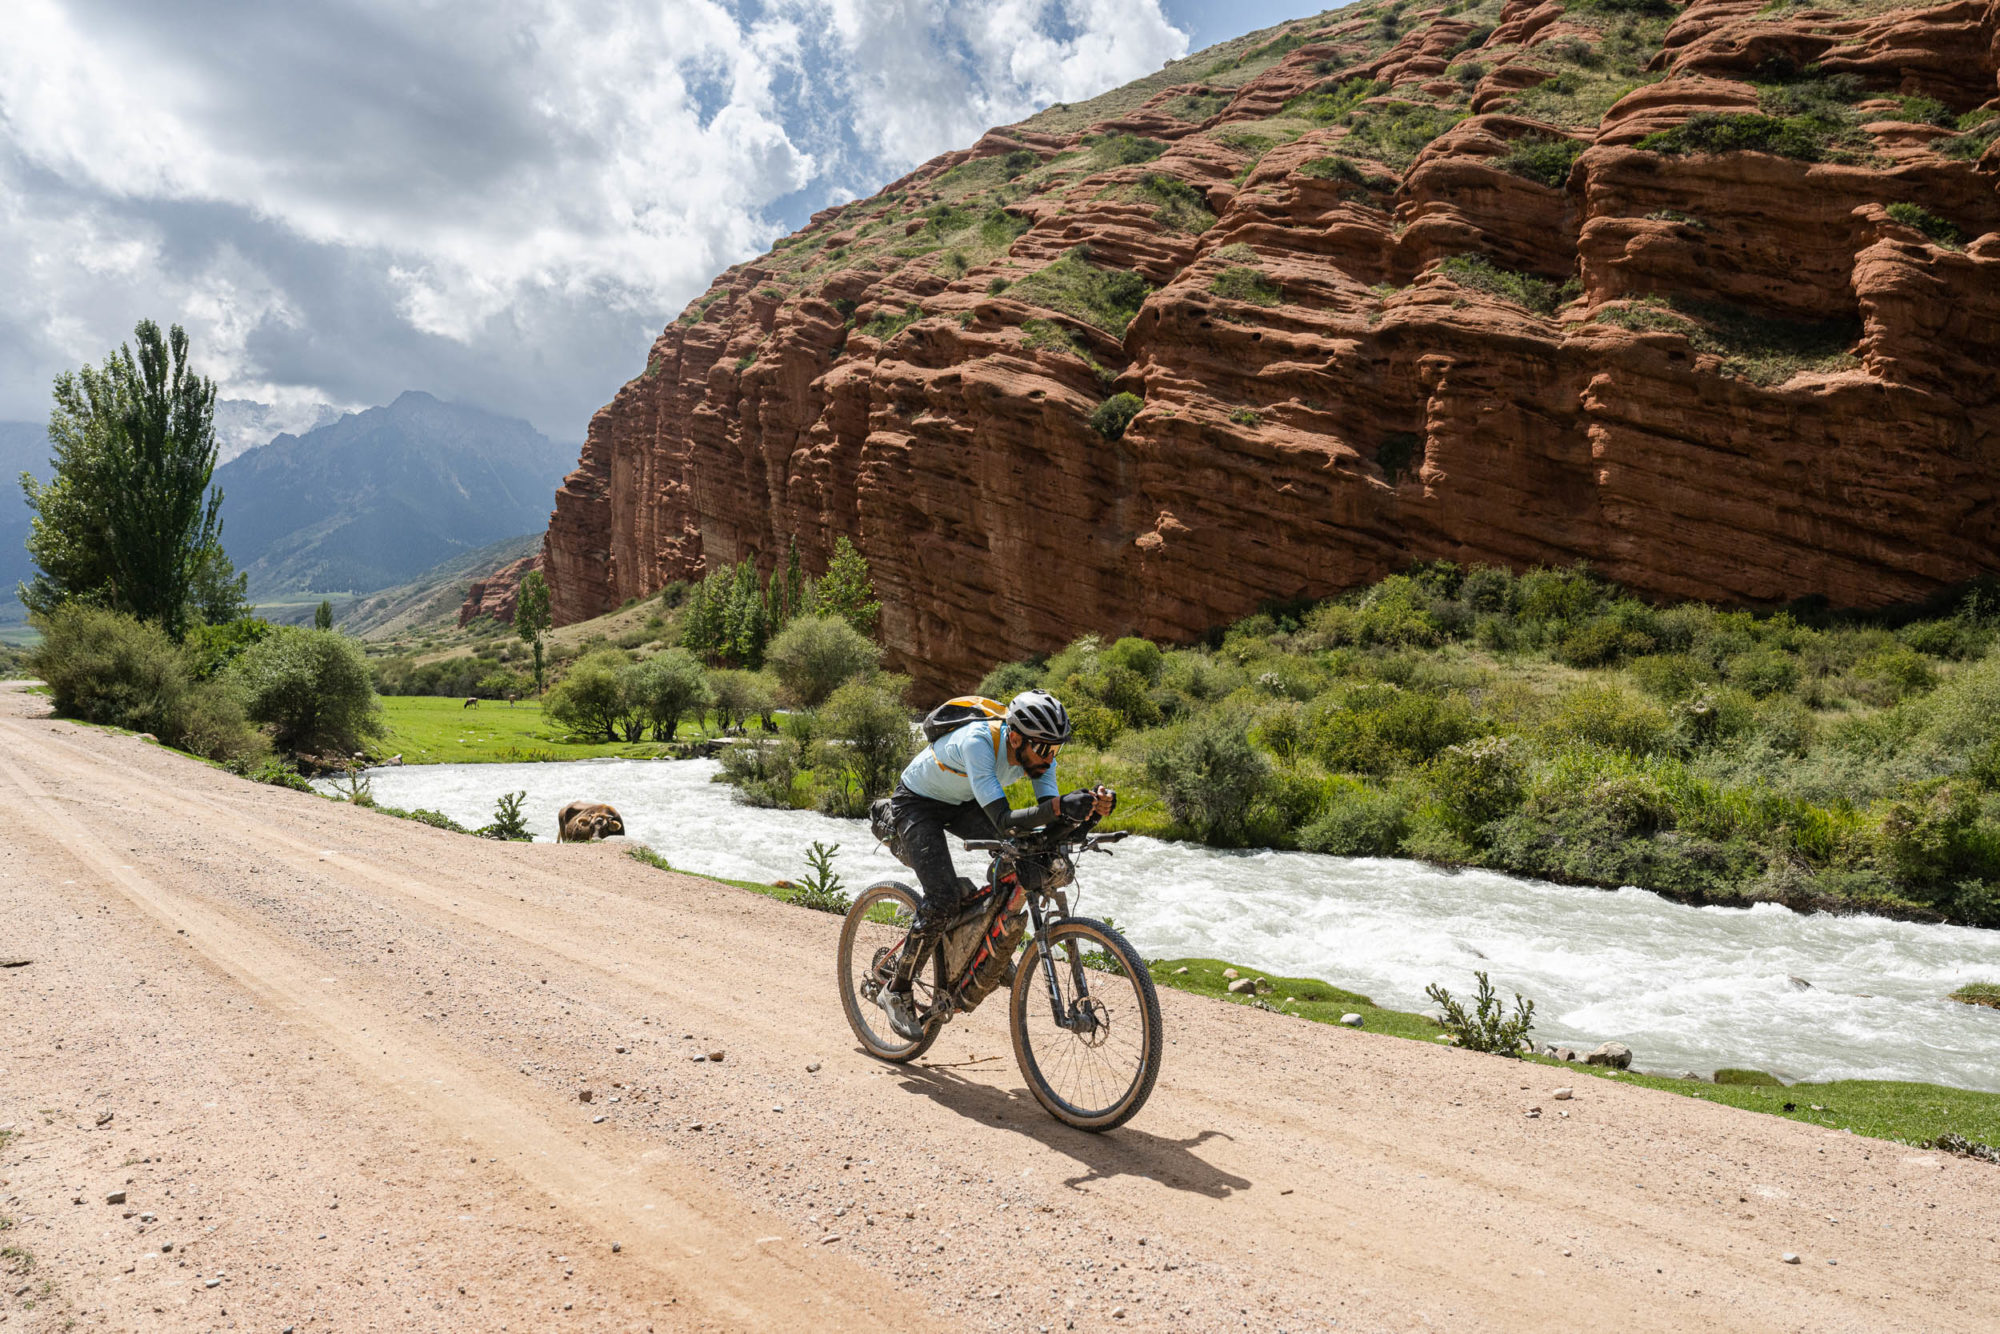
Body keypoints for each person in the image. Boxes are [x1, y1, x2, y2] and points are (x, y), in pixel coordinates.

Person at [878, 688, 1114, 1040]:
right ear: (1015, 737)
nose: (1050, 758)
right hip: (917, 804)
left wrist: (1089, 813)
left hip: (961, 801)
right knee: (942, 897)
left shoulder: (1038, 755)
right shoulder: (978, 742)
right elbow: (1005, 820)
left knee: (1029, 850)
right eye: (1044, 749)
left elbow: (1048, 828)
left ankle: (984, 939)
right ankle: (896, 990)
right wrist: (1061, 807)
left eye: (1056, 749)